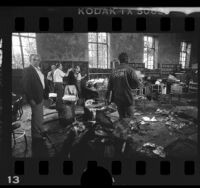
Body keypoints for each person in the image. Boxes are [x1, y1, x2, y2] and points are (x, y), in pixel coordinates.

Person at [22, 54, 49, 157]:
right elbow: (26, 86)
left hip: (40, 96)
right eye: (34, 59)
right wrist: (30, 99)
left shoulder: (38, 69)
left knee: (39, 116)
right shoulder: (27, 70)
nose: (36, 61)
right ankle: (37, 137)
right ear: (30, 60)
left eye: (38, 59)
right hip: (35, 98)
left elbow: (42, 82)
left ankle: (39, 131)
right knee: (37, 117)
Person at [106, 52, 141, 119]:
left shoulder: (114, 71)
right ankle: (128, 128)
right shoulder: (130, 70)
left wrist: (108, 99)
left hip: (117, 98)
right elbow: (136, 84)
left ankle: (122, 128)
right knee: (130, 118)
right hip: (127, 98)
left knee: (122, 117)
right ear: (127, 60)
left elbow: (109, 87)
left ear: (119, 60)